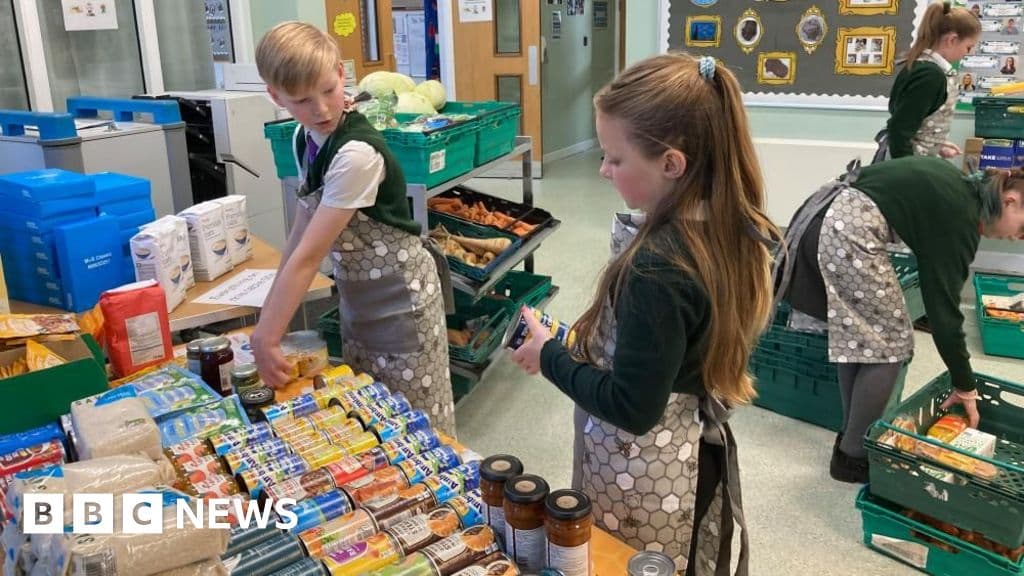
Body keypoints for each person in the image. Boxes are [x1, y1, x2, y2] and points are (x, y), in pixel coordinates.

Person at [509, 54, 780, 574]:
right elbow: (665, 353)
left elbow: (633, 406)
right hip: (687, 455)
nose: (602, 169)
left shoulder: (658, 268)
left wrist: (550, 358)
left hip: (645, 474)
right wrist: (566, 341)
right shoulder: (724, 228)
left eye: (614, 158)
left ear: (671, 164)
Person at [250, 22, 457, 437]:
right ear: (275, 97)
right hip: (359, 298)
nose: (322, 110)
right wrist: (267, 324)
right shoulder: (303, 138)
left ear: (342, 74)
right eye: (302, 100)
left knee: (415, 421)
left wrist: (267, 336)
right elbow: (300, 234)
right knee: (370, 412)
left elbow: (311, 256)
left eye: (329, 90)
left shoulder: (357, 154)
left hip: (402, 300)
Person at [774, 156, 1024, 484]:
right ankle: (853, 456)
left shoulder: (963, 191)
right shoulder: (961, 216)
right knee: (891, 345)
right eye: (1023, 228)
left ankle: (851, 439)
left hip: (832, 220)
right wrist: (965, 384)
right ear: (1010, 201)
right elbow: (944, 311)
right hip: (849, 232)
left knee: (862, 338)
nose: (1019, 238)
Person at [874, 2, 980, 163]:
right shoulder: (930, 76)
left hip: (915, 161)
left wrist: (936, 144)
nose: (969, 52)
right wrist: (908, 171)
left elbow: (918, 123)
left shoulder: (924, 67)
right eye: (968, 47)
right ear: (952, 40)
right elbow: (900, 131)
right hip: (905, 166)